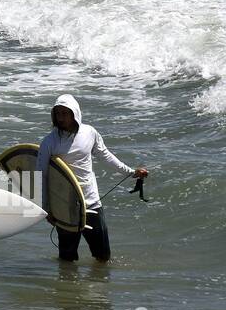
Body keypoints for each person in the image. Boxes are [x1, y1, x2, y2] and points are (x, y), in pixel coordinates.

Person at [36, 95, 147, 262]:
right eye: (58, 113)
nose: (61, 118)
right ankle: (66, 287)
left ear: (75, 113)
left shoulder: (89, 133)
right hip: (65, 207)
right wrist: (46, 209)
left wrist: (130, 172)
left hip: (91, 202)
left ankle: (99, 286)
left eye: (65, 113)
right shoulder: (49, 142)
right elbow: (41, 175)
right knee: (67, 259)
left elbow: (106, 156)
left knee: (103, 255)